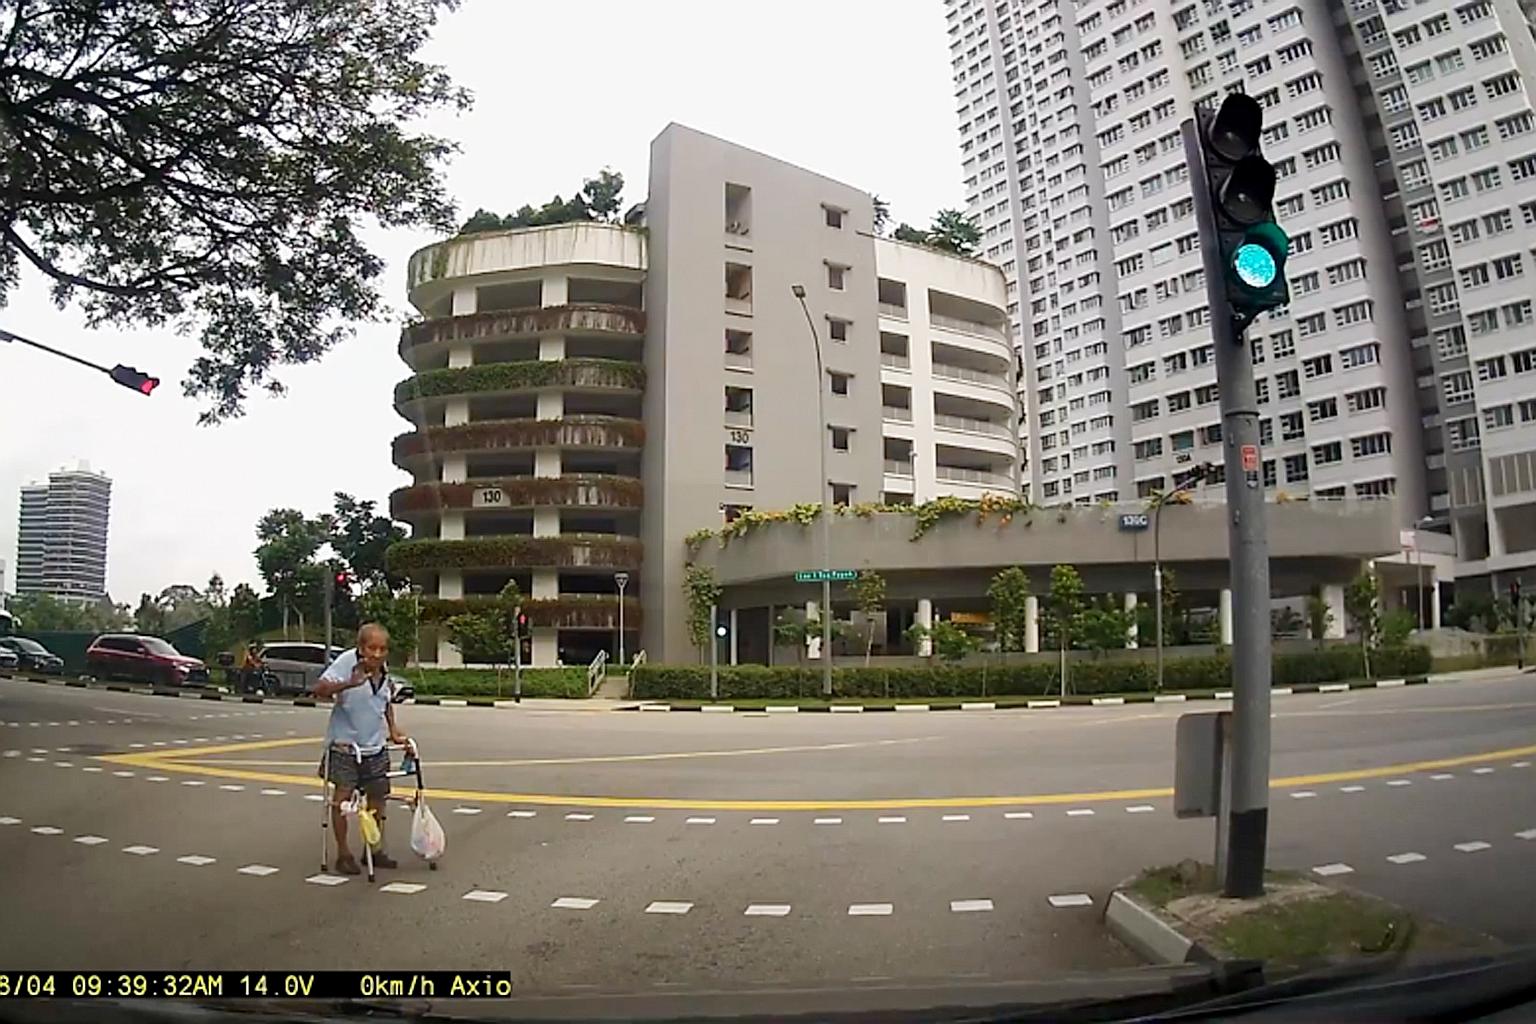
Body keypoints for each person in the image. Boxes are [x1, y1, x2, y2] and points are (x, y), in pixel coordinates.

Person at [313, 622, 411, 875]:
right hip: (345, 746)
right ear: (360, 647)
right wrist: (349, 683)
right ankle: (343, 853)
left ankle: (374, 849)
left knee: (378, 797)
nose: (377, 654)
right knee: (342, 801)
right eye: (372, 648)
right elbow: (320, 689)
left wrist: (393, 730)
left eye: (382, 649)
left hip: (374, 746)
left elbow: (384, 701)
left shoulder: (383, 670)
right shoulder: (346, 663)